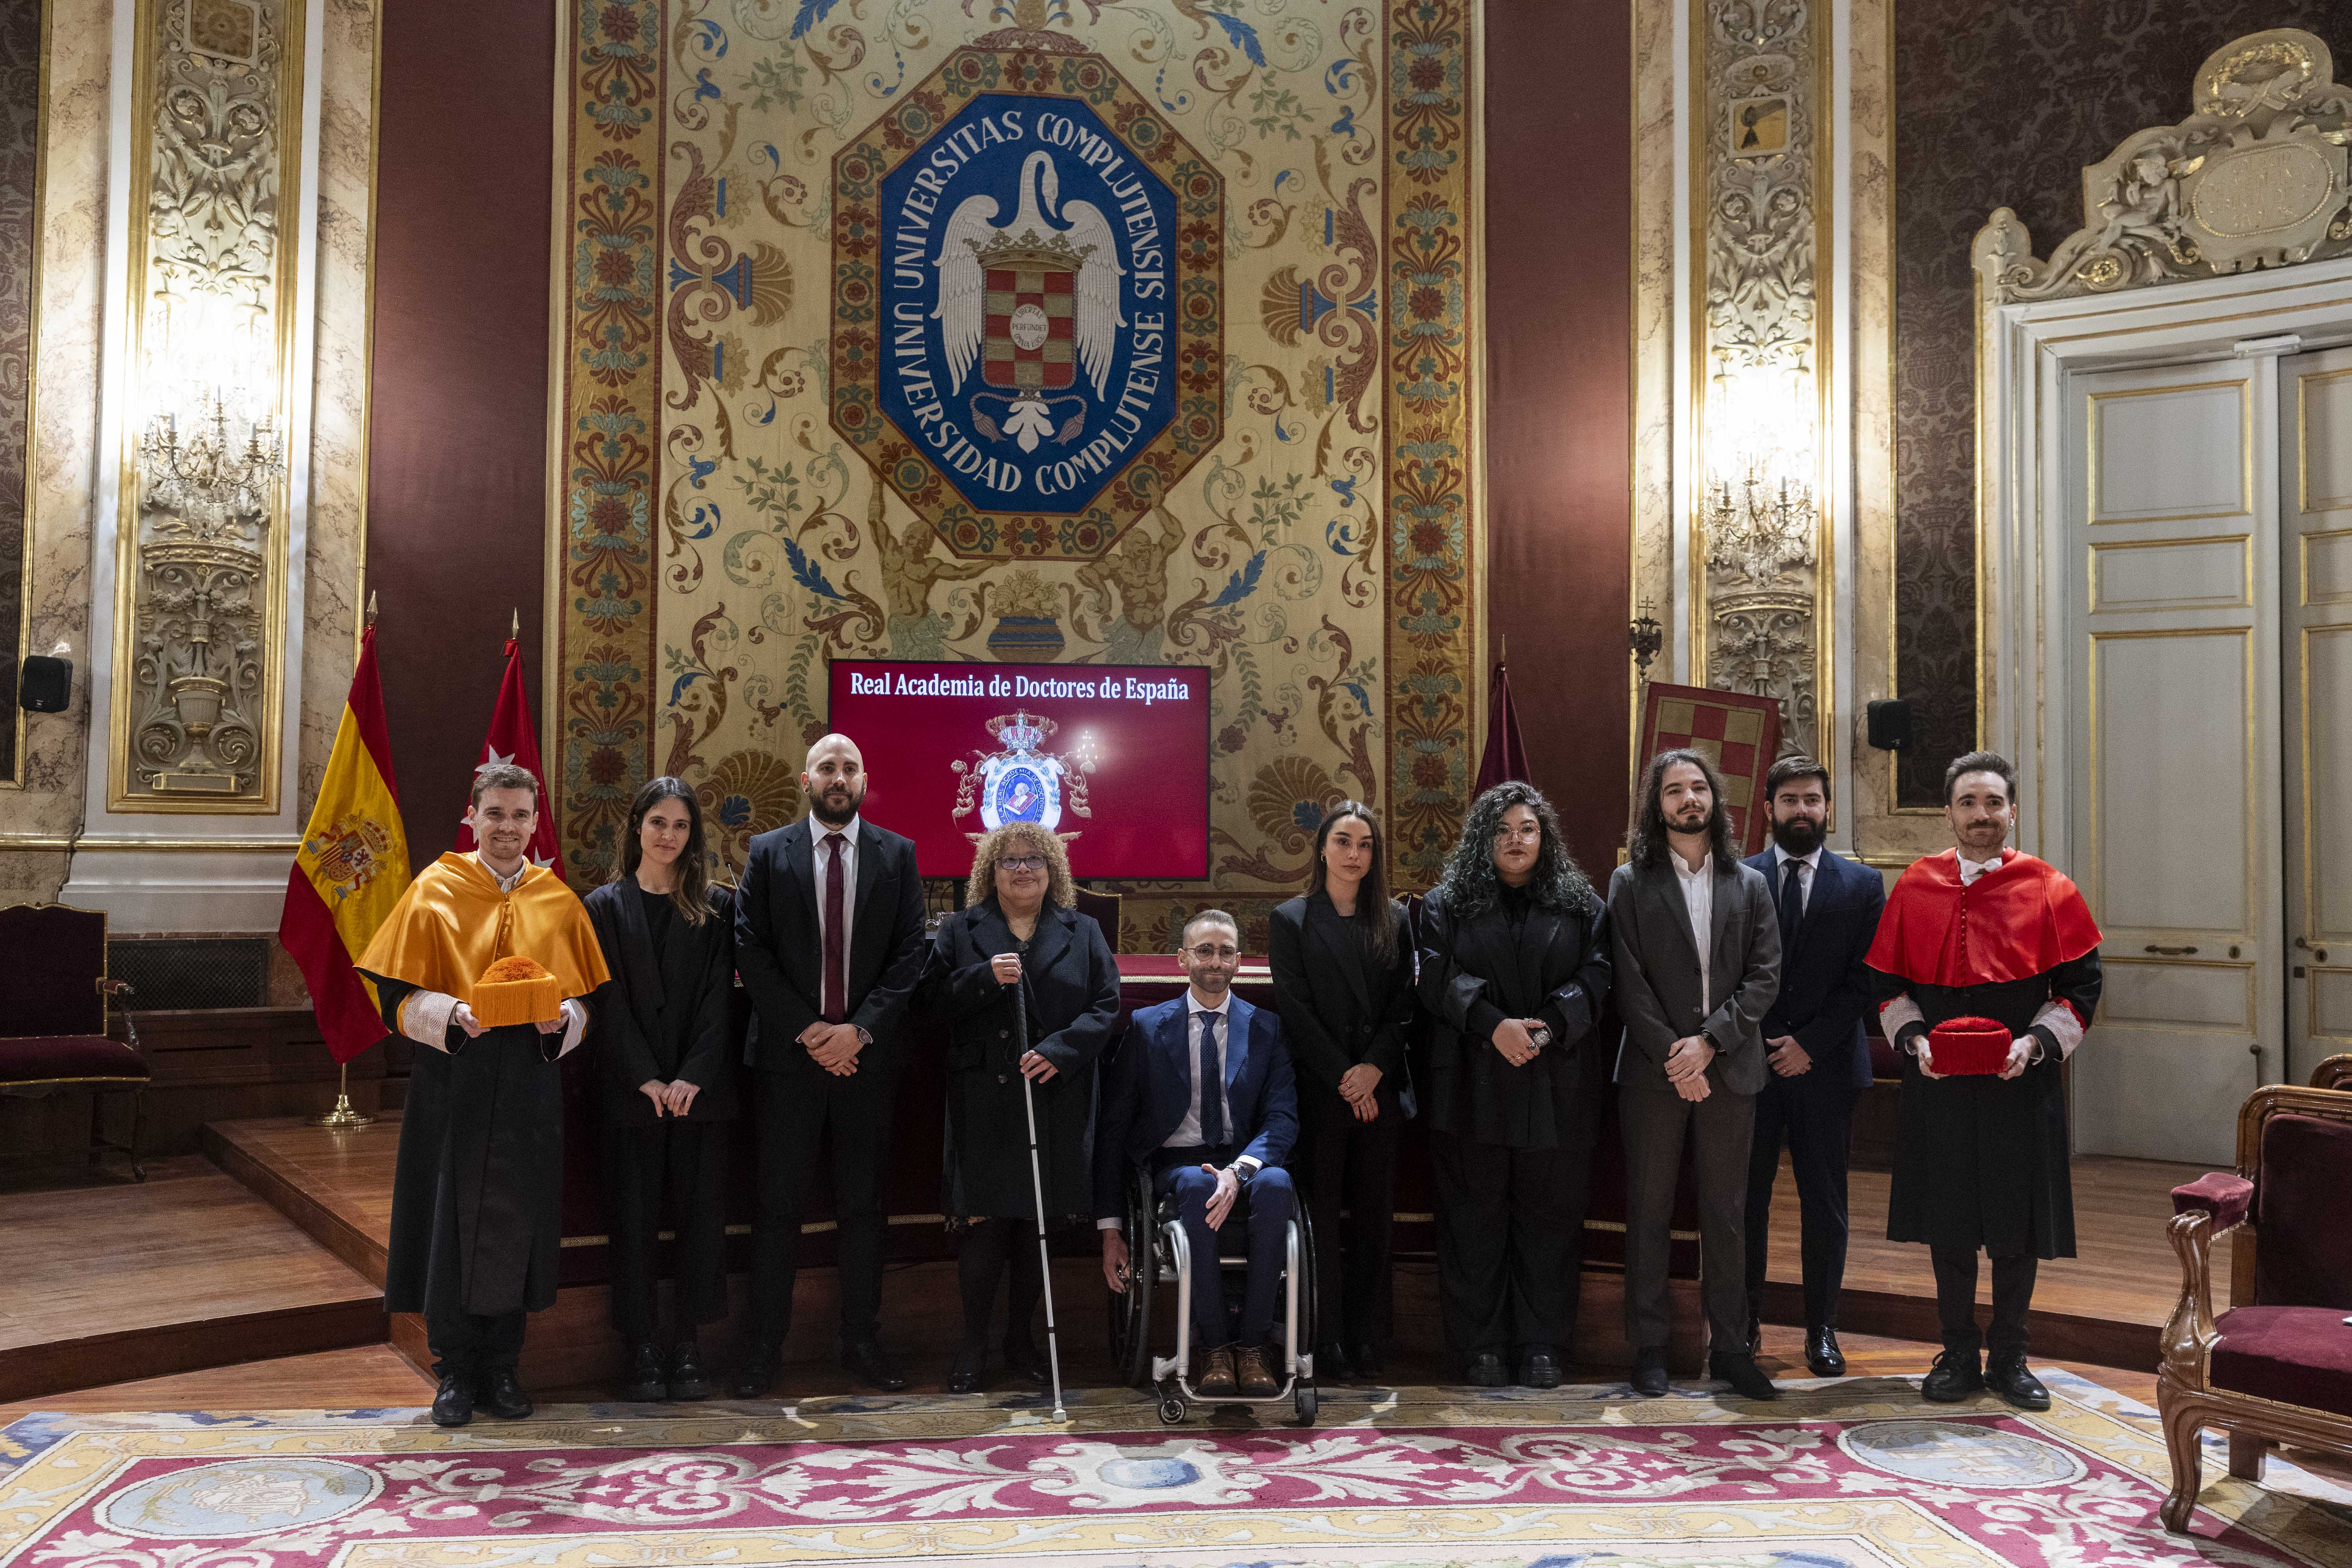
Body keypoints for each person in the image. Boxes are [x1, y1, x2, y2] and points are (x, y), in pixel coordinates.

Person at [356, 762, 610, 1428]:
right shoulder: (435, 891)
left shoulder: (556, 900)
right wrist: (448, 1014)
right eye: (495, 814)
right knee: (450, 1224)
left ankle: (503, 1366)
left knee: (515, 1226)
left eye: (520, 815)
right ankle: (454, 1372)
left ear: (535, 822)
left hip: (528, 1082)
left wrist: (566, 1024)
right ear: (472, 815)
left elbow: (585, 1001)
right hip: (456, 1082)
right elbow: (393, 997)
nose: (507, 828)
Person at [1868, 751, 2102, 1412]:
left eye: (1993, 803)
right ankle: (1958, 1353)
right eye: (1969, 803)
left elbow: (2081, 989)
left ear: (2013, 811)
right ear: (1948, 813)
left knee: (2015, 1228)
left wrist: (2036, 1044)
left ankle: (2011, 1356)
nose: (1981, 816)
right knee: (1949, 1225)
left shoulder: (2051, 888)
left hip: (2020, 1084)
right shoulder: (1915, 886)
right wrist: (1914, 1043)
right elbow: (1887, 986)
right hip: (1938, 1085)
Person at [731, 734, 929, 1397]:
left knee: (864, 1207)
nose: (838, 778)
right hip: (789, 1062)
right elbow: (750, 950)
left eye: (848, 768)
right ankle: (762, 1349)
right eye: (827, 768)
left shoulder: (897, 855)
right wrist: (814, 1032)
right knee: (777, 1207)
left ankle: (862, 1339)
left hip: (866, 1065)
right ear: (805, 778)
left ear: (864, 779)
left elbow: (910, 957)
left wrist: (859, 1034)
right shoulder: (768, 853)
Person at [1416, 781, 1613, 1389]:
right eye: (1502, 831)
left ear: (1544, 836)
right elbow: (1434, 975)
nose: (1516, 840)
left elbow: (1600, 975)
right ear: (1483, 839)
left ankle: (1543, 1347)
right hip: (1472, 1083)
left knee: (1550, 1222)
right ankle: (1479, 1350)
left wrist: (1550, 1026)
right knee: (1473, 1223)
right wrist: (1492, 1024)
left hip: (1557, 1084)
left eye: (1527, 829)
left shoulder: (1583, 905)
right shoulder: (1444, 903)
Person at [1609, 748, 1780, 1401]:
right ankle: (1649, 1348)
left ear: (1717, 801)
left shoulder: (1751, 884)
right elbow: (1628, 981)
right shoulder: (1630, 881)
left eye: (1699, 788)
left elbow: (1765, 977)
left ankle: (1733, 1349)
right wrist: (1676, 1057)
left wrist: (1709, 1044)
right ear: (1658, 805)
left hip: (1731, 1070)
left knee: (1728, 1215)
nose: (1689, 799)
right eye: (1675, 790)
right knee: (1649, 1213)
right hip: (1656, 1076)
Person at [926, 822, 1121, 1393]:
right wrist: (983, 978)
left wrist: (1061, 1051)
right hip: (984, 1100)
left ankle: (1021, 1340)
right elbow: (930, 1001)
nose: (1023, 869)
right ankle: (973, 1343)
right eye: (1010, 861)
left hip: (1054, 1095)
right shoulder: (962, 931)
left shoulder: (1081, 930)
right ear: (991, 869)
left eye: (1034, 860)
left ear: (1052, 868)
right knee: (985, 1229)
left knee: (1038, 1227)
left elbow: (1106, 1005)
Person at [1098, 911, 1300, 1398]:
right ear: (1183, 958)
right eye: (1205, 950)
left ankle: (1252, 1346)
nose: (1216, 960)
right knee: (1196, 1182)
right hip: (1178, 1165)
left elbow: (1283, 1118)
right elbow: (1115, 1129)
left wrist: (1240, 1169)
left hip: (1247, 1158)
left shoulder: (1266, 1027)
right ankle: (1212, 1346)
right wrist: (1110, 1229)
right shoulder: (1148, 1027)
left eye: (1226, 951)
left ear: (1240, 962)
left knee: (1278, 1185)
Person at [584, 778, 738, 1403]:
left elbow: (719, 1003)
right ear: (636, 828)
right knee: (635, 1221)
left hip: (702, 1093)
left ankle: (689, 1346)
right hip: (631, 1091)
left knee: (701, 1222)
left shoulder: (718, 906)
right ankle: (642, 1347)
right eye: (657, 823)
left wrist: (690, 1077)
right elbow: (606, 1001)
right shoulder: (601, 907)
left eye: (680, 826)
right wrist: (645, 1076)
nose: (668, 836)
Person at [1740, 756, 1886, 1377]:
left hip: (1826, 1068)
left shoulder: (1862, 885)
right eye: (1790, 801)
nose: (1803, 811)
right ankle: (1740, 1324)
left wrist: (1809, 1044)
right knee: (1746, 1201)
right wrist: (1772, 1038)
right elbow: (1728, 970)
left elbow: (1866, 981)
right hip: (1749, 1064)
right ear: (1769, 810)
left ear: (1828, 810)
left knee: (1823, 1202)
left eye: (1813, 801)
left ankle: (1821, 1329)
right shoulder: (1738, 877)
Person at [1268, 801, 1416, 1381]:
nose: (1355, 855)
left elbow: (1405, 1007)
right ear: (1322, 849)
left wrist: (1373, 1069)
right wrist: (1346, 1076)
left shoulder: (1397, 920)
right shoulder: (1292, 918)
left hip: (1381, 1089)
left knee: (1375, 1220)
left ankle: (1368, 1339)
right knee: (1322, 1220)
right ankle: (1325, 1339)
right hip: (1323, 1092)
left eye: (1366, 845)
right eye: (1344, 842)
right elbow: (1296, 1012)